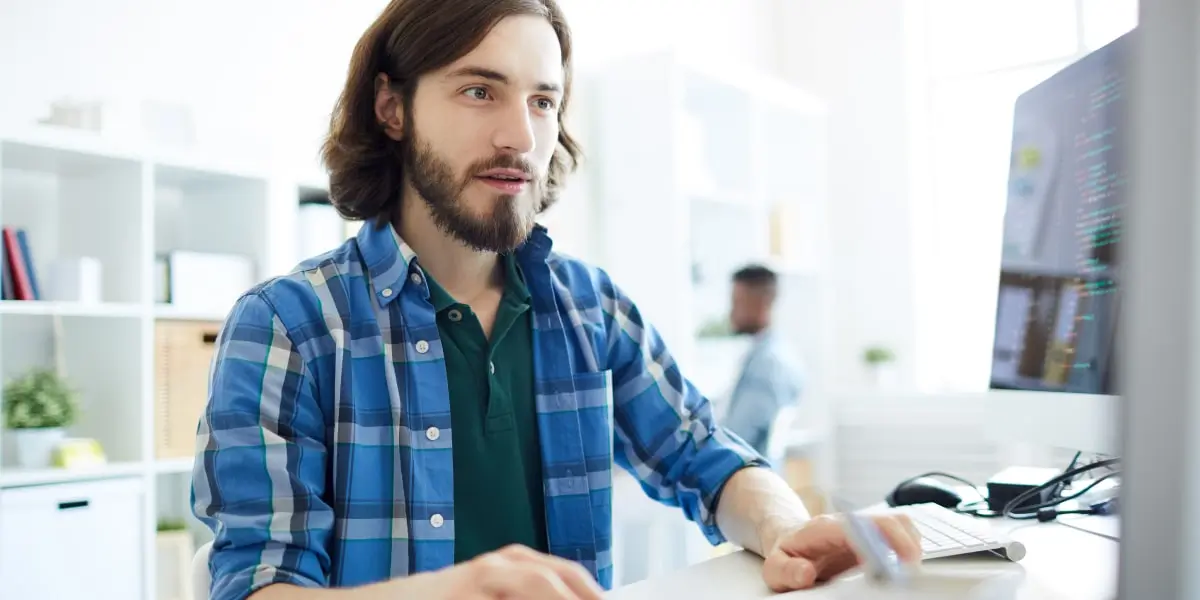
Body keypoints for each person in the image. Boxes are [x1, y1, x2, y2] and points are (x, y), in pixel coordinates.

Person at [190, 1, 921, 599]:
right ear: (392, 107)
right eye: (480, 91)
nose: (520, 136)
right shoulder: (287, 326)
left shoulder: (589, 306)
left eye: (544, 100)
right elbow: (259, 585)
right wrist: (454, 592)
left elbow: (702, 454)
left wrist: (783, 524)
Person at [721, 265, 804, 459]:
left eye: (736, 302)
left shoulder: (768, 364)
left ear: (761, 303)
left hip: (746, 478)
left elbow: (737, 435)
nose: (731, 313)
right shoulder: (779, 353)